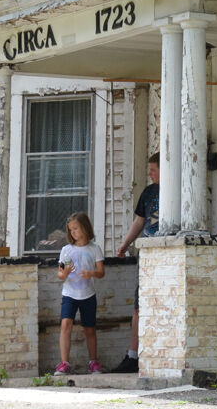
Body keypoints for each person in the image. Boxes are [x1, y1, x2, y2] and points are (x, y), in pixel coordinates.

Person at [113, 152, 159, 374]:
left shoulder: (178, 190)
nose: (149, 174)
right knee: (139, 306)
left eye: (154, 170)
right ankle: (133, 356)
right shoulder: (148, 192)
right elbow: (140, 221)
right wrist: (125, 244)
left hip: (167, 255)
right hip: (146, 255)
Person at [54, 211, 104, 375]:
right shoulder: (66, 250)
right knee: (65, 324)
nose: (73, 232)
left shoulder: (95, 249)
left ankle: (93, 362)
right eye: (71, 230)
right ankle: (64, 363)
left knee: (90, 329)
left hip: (88, 294)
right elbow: (60, 274)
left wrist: (91, 273)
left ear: (85, 227)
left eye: (76, 228)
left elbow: (101, 272)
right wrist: (66, 272)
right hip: (69, 294)